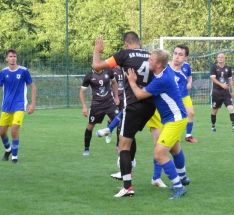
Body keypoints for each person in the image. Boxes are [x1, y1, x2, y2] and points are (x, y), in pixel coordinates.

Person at [93, 31, 156, 197]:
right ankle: (128, 168)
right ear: (139, 41)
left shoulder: (124, 55)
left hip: (133, 105)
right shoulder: (150, 56)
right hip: (150, 105)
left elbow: (96, 66)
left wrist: (97, 51)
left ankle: (127, 186)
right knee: (129, 137)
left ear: (126, 44)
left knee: (123, 146)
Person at [126, 49, 189, 199]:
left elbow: (140, 95)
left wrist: (132, 82)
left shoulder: (162, 80)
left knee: (159, 154)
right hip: (173, 119)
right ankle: (183, 177)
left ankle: (179, 187)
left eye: (151, 60)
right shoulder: (164, 70)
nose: (148, 61)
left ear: (159, 64)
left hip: (175, 120)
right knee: (175, 150)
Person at [0, 48, 36, 164]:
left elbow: (33, 87)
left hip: (19, 105)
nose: (12, 58)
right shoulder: (3, 72)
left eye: (14, 56)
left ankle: (14, 157)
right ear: (6, 59)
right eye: (10, 56)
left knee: (14, 130)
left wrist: (32, 103)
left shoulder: (24, 71)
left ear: (16, 58)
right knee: (2, 133)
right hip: (6, 106)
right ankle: (8, 150)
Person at [79, 66, 120, 156]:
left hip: (110, 103)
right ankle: (86, 149)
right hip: (97, 105)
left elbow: (114, 83)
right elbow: (81, 92)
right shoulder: (89, 76)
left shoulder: (108, 71)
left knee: (120, 121)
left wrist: (116, 97)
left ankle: (118, 145)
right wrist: (84, 107)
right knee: (90, 126)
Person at [177, 45, 197, 142]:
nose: (177, 56)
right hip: (174, 97)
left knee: (191, 113)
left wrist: (189, 83)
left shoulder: (187, 66)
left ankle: (188, 135)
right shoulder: (168, 66)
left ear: (186, 57)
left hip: (184, 94)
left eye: (180, 54)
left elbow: (189, 76)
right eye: (175, 53)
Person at [210, 53, 234, 132]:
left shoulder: (228, 68)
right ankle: (213, 126)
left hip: (226, 93)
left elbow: (230, 80)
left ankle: (233, 126)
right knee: (215, 110)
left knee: (231, 108)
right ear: (217, 59)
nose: (220, 58)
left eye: (222, 57)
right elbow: (213, 79)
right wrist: (221, 85)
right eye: (219, 57)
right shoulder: (214, 67)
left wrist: (232, 90)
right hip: (216, 92)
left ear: (224, 58)